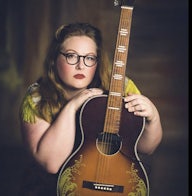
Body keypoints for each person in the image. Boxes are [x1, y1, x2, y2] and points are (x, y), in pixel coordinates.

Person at [19, 22, 163, 195]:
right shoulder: (37, 97)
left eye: (89, 58)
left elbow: (145, 148)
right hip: (51, 188)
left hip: (115, 181)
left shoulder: (121, 88)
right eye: (71, 56)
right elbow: (51, 163)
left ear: (97, 60)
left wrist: (153, 118)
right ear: (54, 59)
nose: (81, 65)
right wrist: (72, 107)